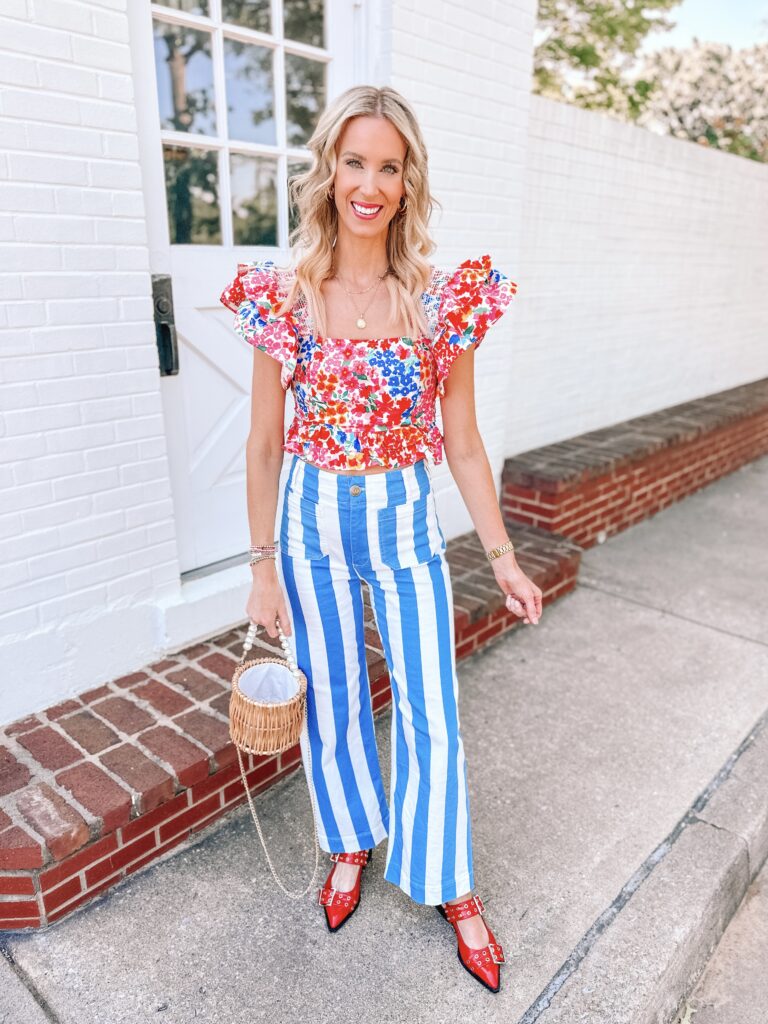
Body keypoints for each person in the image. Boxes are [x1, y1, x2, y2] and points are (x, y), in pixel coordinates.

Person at [220, 84, 543, 995]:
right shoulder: (285, 297)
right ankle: (351, 843)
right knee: (334, 707)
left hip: (403, 522)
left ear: (408, 182)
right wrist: (261, 569)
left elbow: (466, 443)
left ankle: (452, 883)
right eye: (354, 162)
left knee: (431, 706)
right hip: (311, 526)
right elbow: (263, 444)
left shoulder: (441, 303)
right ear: (329, 171)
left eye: (388, 167)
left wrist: (506, 558)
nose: (369, 183)